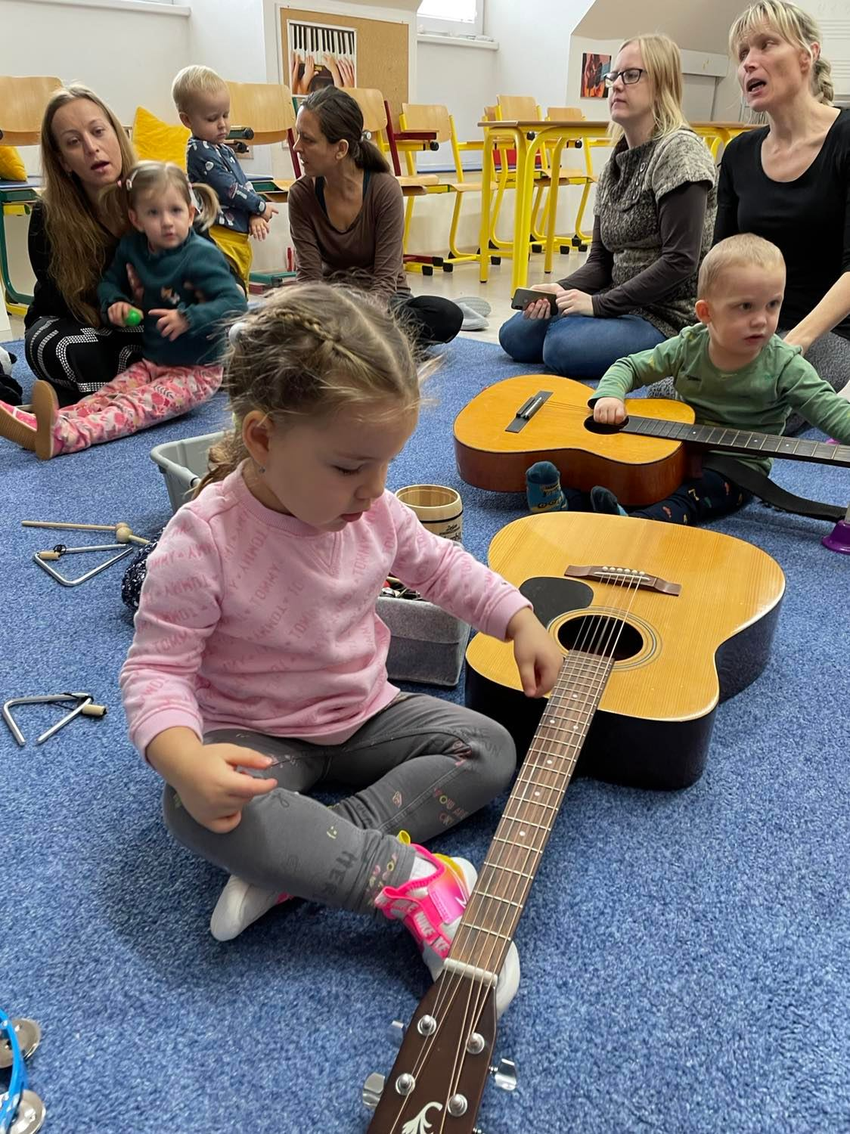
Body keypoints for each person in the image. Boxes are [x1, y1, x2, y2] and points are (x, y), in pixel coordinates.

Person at [119, 283, 562, 1015]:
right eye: (350, 468)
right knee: (192, 809)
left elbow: (442, 568)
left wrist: (518, 618)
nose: (373, 491)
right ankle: (414, 881)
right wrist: (185, 760)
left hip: (365, 714)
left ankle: (306, 859)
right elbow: (156, 668)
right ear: (262, 439)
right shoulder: (201, 540)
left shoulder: (377, 509)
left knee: (489, 748)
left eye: (385, 465)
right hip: (258, 735)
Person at [525, 235, 850, 526]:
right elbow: (630, 366)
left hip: (736, 470)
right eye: (745, 307)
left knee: (691, 496)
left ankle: (637, 524)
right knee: (625, 469)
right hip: (677, 449)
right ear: (706, 313)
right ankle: (565, 501)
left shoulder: (785, 364)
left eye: (772, 305)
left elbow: (830, 411)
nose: (761, 320)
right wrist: (610, 394)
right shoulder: (689, 344)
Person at [499, 34, 717, 381]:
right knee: (515, 334)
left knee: (560, 348)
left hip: (667, 314)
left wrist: (598, 306)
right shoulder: (615, 162)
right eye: (613, 76)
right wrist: (561, 289)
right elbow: (600, 262)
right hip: (618, 301)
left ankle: (670, 352)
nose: (615, 85)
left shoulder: (681, 152)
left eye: (631, 75)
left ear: (662, 84)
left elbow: (681, 261)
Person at [0, 161, 247, 459]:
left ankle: (65, 437)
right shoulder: (133, 247)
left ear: (191, 213)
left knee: (132, 407)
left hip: (197, 371)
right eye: (153, 213)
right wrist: (115, 302)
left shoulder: (201, 255)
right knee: (105, 395)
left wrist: (188, 317)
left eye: (176, 211)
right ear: (136, 219)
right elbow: (110, 283)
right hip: (154, 361)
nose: (167, 222)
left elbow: (233, 302)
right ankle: (46, 423)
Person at [716, 1, 850, 409]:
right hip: (754, 330)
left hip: (830, 334)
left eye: (766, 45)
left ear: (808, 55)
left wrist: (793, 344)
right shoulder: (738, 153)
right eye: (742, 53)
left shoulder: (845, 139)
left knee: (746, 402)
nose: (749, 62)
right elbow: (722, 264)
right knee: (667, 397)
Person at [287, 86, 463, 348]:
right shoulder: (301, 195)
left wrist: (357, 320)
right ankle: (368, 345)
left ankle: (350, 343)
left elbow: (385, 283)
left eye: (308, 140)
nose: (297, 147)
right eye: (298, 136)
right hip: (333, 304)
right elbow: (310, 281)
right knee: (277, 317)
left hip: (385, 304)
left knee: (446, 315)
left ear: (341, 149)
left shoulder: (384, 189)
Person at [23, 85, 144, 407]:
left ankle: (120, 382)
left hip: (153, 321)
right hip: (87, 324)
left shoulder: (160, 191)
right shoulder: (47, 216)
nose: (92, 148)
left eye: (98, 131)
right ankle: (148, 376)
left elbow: (216, 269)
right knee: (61, 346)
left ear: (117, 134)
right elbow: (63, 303)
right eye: (74, 142)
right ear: (63, 161)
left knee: (227, 326)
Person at [172, 65, 279, 292]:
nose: (222, 124)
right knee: (226, 290)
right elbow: (228, 188)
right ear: (187, 120)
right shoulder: (199, 150)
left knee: (240, 288)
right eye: (212, 118)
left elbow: (243, 183)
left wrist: (253, 214)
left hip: (237, 237)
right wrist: (260, 205)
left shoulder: (224, 149)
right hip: (219, 237)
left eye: (225, 115)